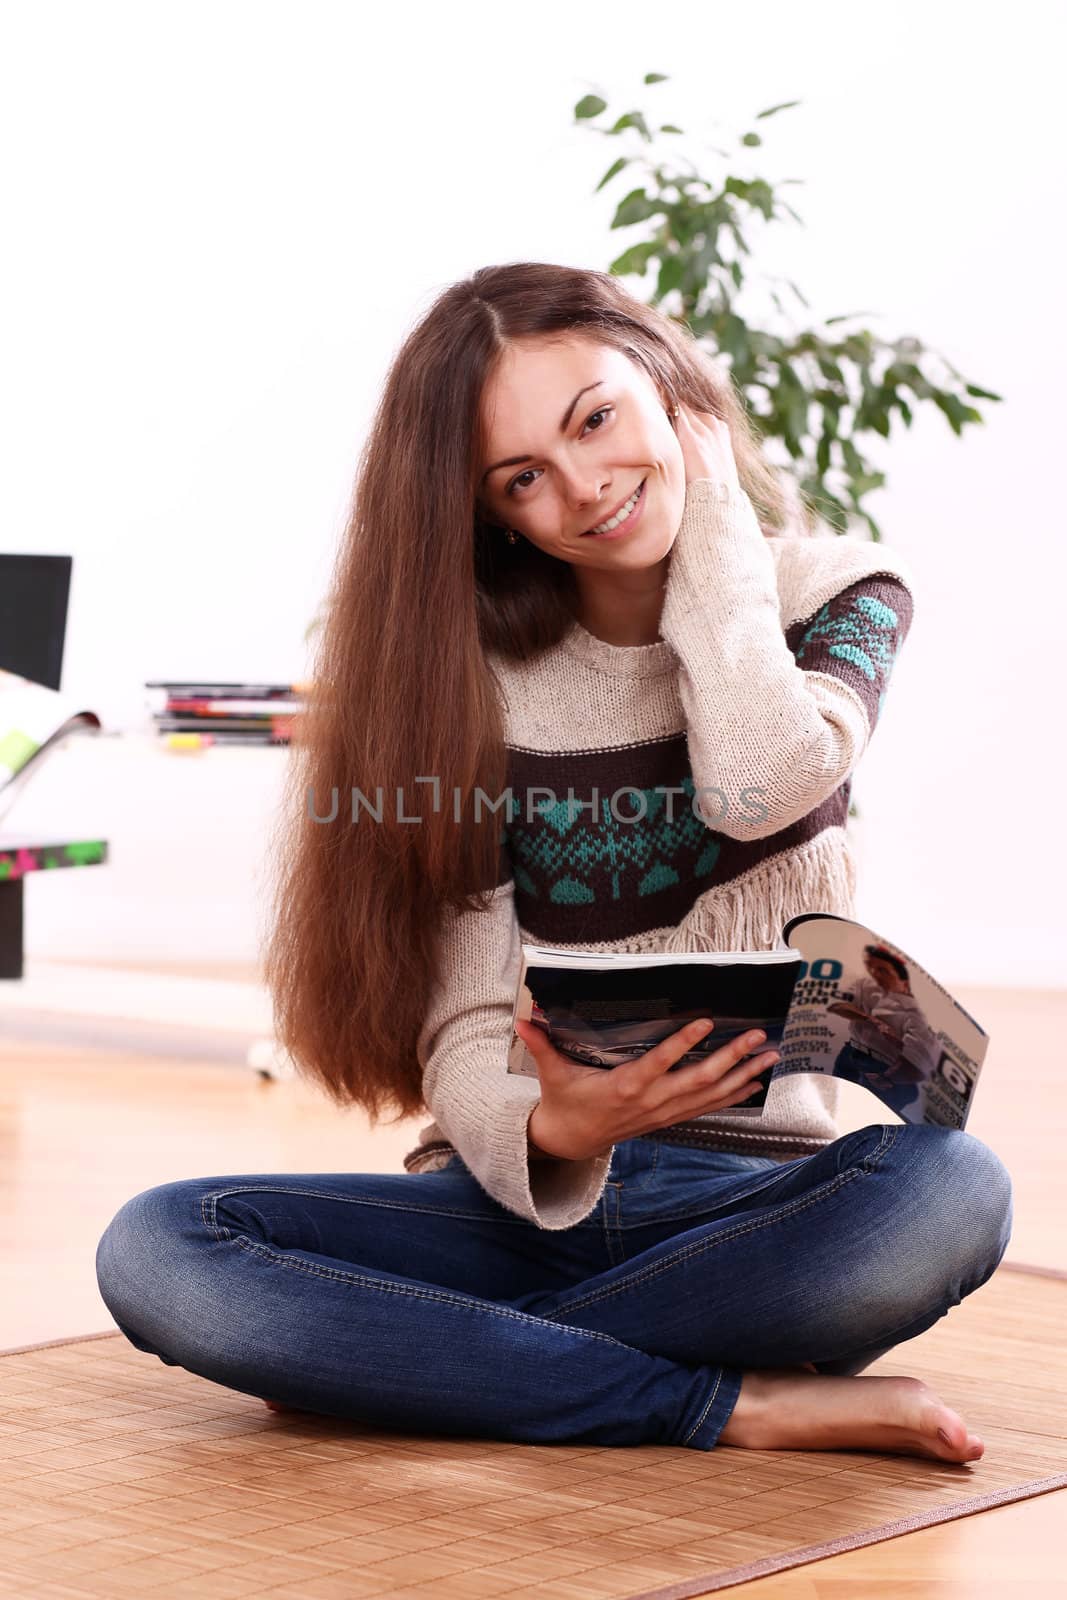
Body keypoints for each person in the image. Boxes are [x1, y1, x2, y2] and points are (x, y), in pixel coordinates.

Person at [96, 262, 1011, 1465]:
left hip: (754, 1215)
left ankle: (413, 1365)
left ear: (667, 383)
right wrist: (554, 1128)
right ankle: (719, 1402)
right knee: (162, 1245)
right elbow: (468, 1012)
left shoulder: (838, 596)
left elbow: (752, 787)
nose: (582, 490)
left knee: (954, 1190)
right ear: (491, 515)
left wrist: (717, 554)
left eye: (597, 419)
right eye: (521, 478)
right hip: (517, 1204)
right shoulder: (467, 675)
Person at [829, 946, 943, 1119]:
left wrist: (886, 1077)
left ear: (904, 982)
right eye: (872, 968)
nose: (875, 974)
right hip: (850, 1052)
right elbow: (837, 1006)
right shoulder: (865, 986)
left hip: (879, 1066)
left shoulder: (914, 1015)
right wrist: (870, 1019)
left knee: (867, 1116)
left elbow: (917, 1065)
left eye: (883, 971)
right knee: (834, 1104)